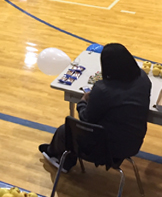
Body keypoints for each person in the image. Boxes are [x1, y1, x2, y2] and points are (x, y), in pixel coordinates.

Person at [39, 43, 151, 173]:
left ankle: (62, 160)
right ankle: (61, 155)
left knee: (66, 130)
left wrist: (82, 102)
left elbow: (86, 118)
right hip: (133, 143)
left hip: (107, 149)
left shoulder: (103, 89)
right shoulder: (143, 78)